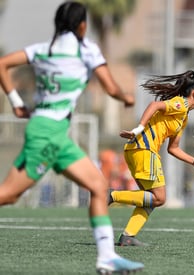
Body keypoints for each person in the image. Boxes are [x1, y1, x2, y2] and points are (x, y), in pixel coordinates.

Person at [0, 2, 144, 274]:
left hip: (53, 133)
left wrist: (17, 102)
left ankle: (107, 258)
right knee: (8, 195)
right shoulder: (86, 50)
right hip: (47, 135)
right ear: (82, 25)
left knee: (99, 187)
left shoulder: (44, 49)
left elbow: (2, 64)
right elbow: (111, 87)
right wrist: (126, 97)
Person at [108, 70, 194, 246]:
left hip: (138, 150)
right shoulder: (180, 104)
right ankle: (111, 196)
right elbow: (154, 105)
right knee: (159, 198)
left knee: (150, 199)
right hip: (145, 150)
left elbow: (173, 148)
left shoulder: (183, 117)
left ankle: (128, 236)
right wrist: (139, 128)